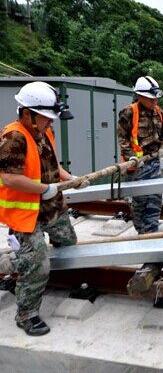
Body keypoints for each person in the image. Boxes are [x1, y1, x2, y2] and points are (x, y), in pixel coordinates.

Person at [0, 81, 78, 336]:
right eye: (46, 118)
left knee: (69, 244)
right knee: (38, 265)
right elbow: (10, 178)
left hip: (53, 207)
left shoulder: (45, 132)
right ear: (27, 114)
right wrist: (45, 189)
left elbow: (51, 164)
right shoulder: (13, 138)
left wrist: (65, 177)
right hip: (27, 215)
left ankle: (29, 265)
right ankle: (27, 314)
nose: (50, 123)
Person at [117, 76, 163, 235]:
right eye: (151, 98)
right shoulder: (129, 112)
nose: (155, 101)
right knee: (139, 204)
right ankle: (142, 232)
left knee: (155, 201)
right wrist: (132, 157)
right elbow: (122, 138)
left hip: (153, 163)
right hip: (136, 168)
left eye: (156, 98)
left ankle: (151, 235)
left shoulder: (159, 112)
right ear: (140, 96)